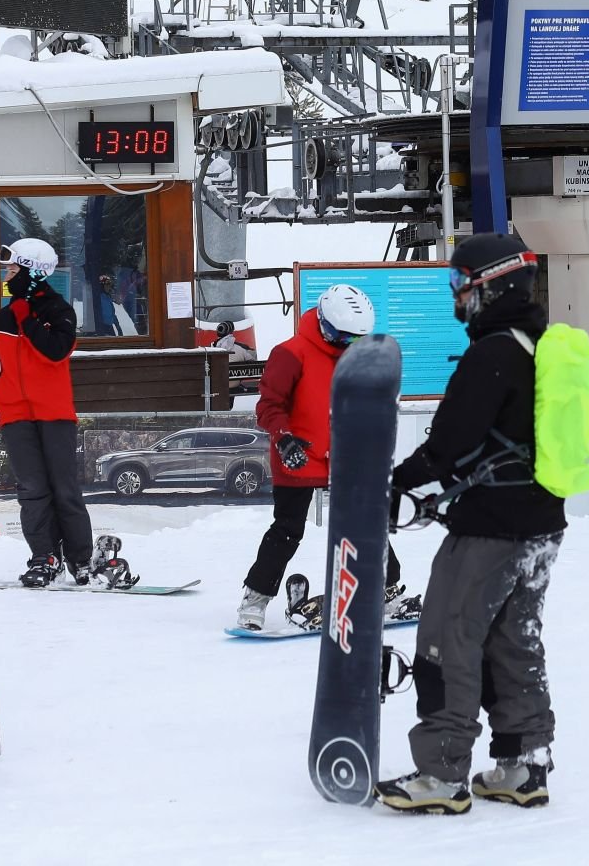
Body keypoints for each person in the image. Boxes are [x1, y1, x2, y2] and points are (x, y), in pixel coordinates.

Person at [378, 232, 563, 815]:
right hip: (540, 522)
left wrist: (393, 485)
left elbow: (450, 444)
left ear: (493, 284)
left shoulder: (493, 353)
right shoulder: (537, 345)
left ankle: (440, 771)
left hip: (490, 527)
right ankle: (523, 763)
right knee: (515, 640)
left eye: (462, 284)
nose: (456, 296)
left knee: (446, 637)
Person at [235, 284, 401, 630]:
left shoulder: (359, 356)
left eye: (355, 338)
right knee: (287, 529)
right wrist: (285, 441)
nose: (346, 344)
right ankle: (255, 600)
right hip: (298, 456)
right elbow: (268, 407)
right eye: (341, 336)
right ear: (324, 323)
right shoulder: (291, 353)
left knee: (366, 525)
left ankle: (387, 591)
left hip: (345, 458)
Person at [0, 238, 91, 585]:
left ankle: (81, 560)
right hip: (15, 415)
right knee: (33, 490)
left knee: (64, 489)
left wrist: (28, 318)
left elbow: (55, 352)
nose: (7, 276)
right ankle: (44, 558)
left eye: (12, 269)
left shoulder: (58, 310)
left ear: (33, 270)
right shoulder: (2, 318)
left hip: (54, 413)